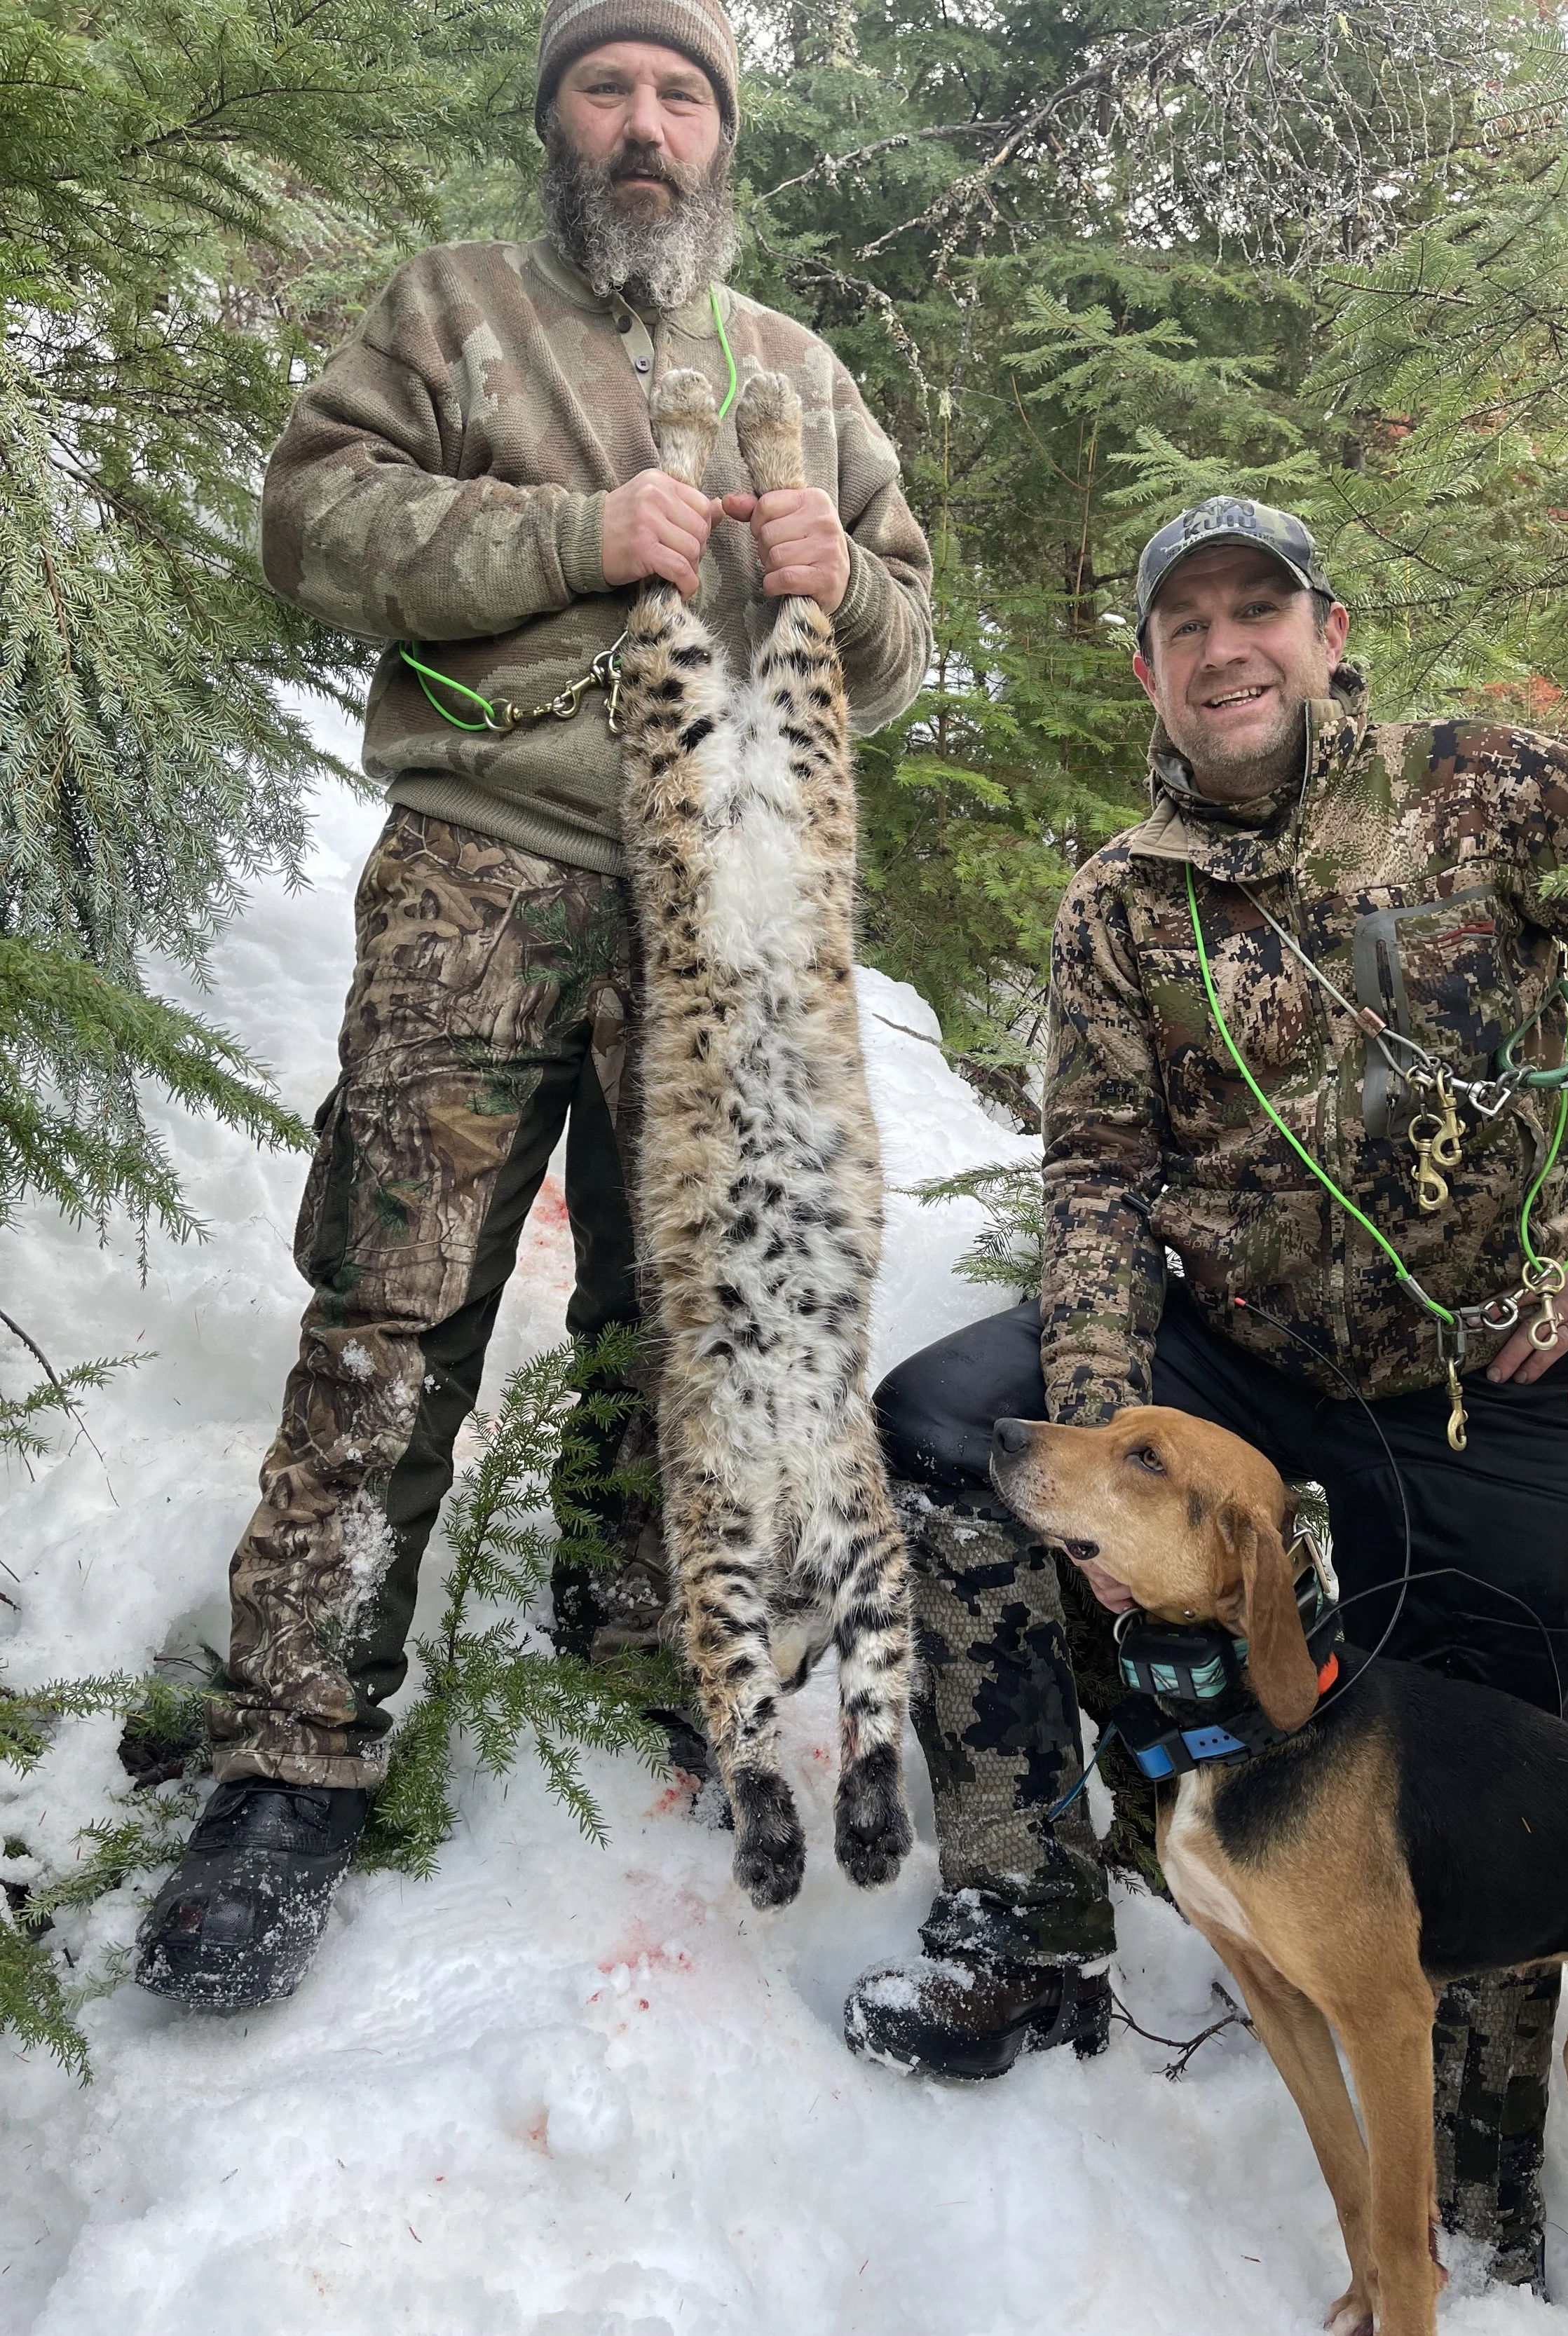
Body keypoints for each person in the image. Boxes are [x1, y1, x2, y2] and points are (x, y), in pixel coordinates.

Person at [844, 496, 1568, 2290]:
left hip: (1484, 1376)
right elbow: (1095, 1181)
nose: (1222, 645)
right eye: (1184, 624)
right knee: (947, 1428)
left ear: (1327, 633)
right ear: (1146, 674)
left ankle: (1476, 2160)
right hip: (1225, 1361)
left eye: (1257, 608)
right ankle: (1031, 1919)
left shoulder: (1488, 792)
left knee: (1490, 1721)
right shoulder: (1119, 901)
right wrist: (1109, 1450)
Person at [134, 0, 933, 2012]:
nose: (645, 127)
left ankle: (637, 1633)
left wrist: (852, 582)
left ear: (720, 139)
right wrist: (571, 536)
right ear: (557, 123)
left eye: (681, 96)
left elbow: (905, 642)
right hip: (486, 863)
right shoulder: (456, 310)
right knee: (393, 1294)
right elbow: (314, 525)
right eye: (610, 89)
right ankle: (291, 1750)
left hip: (727, 905)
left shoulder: (798, 370)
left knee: (684, 1301)